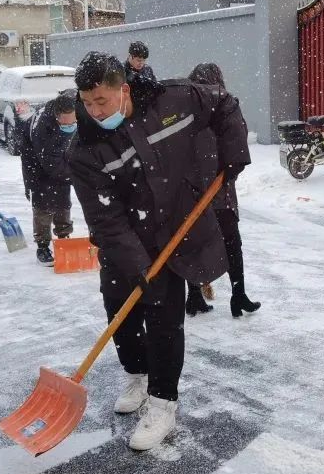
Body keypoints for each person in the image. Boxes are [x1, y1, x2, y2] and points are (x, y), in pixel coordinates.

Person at [67, 52, 250, 451]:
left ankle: (163, 402)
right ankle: (136, 375)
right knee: (120, 309)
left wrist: (233, 153)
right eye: (87, 102)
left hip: (177, 229)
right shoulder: (84, 151)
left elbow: (224, 103)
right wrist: (138, 264)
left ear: (124, 89)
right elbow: (106, 220)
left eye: (103, 100)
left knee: (165, 320)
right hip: (125, 241)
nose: (95, 111)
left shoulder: (175, 99)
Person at [183, 62, 261, 319]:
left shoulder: (191, 110)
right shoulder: (223, 108)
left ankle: (196, 296)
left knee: (194, 245)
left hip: (202, 192)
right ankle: (236, 295)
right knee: (229, 245)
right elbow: (237, 145)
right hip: (216, 193)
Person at [20, 92, 78, 266]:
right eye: (66, 123)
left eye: (73, 122)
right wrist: (76, 177)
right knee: (43, 205)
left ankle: (63, 236)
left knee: (63, 200)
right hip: (37, 166)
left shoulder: (72, 112)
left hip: (60, 158)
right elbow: (50, 164)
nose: (71, 126)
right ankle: (42, 246)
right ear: (56, 117)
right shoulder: (43, 129)